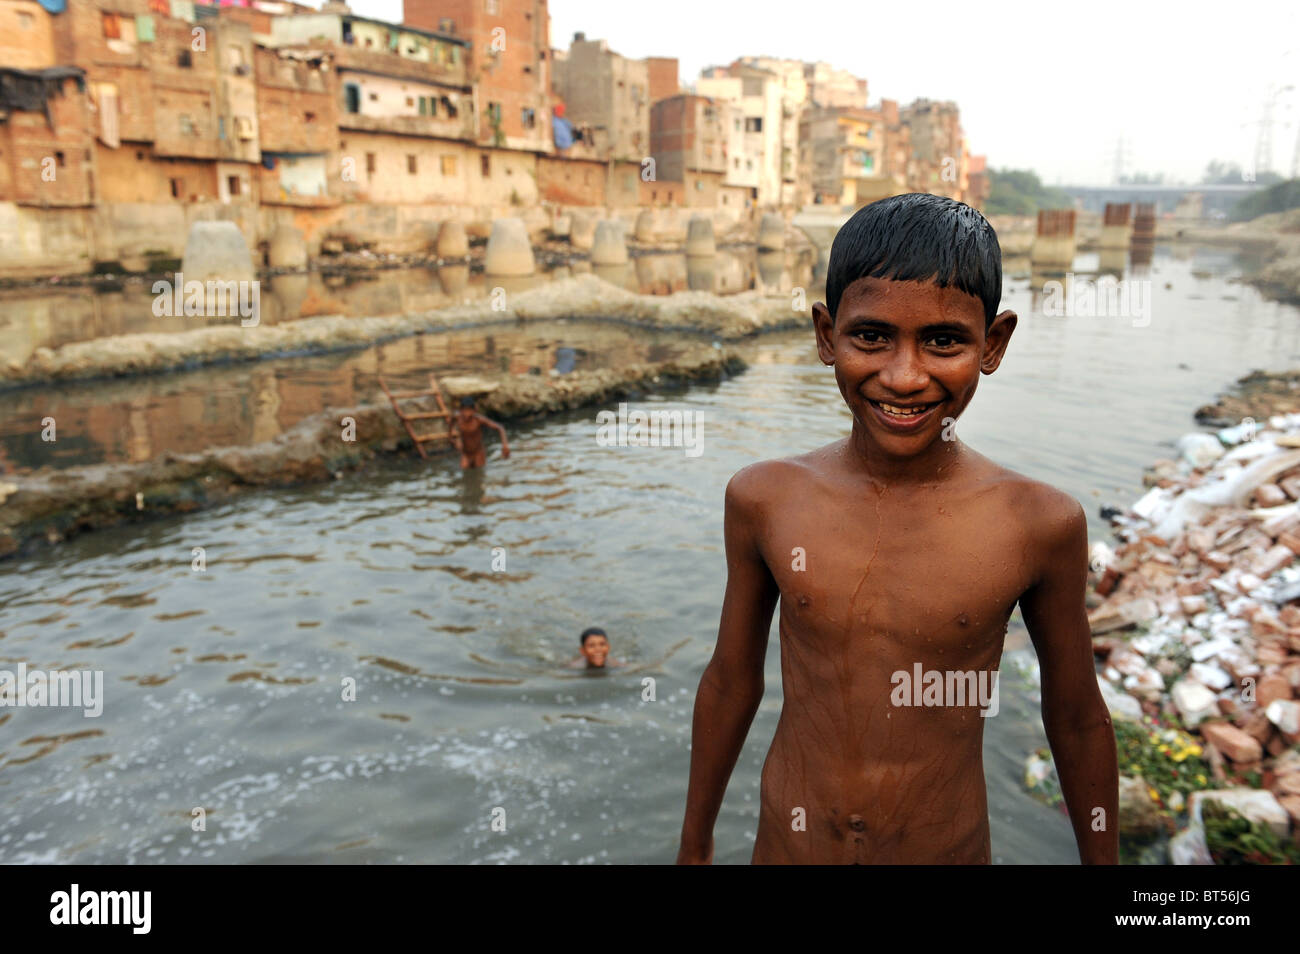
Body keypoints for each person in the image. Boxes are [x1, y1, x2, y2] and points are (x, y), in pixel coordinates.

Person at [676, 193, 1117, 865]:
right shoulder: (765, 499)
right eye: (871, 336)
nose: (904, 376)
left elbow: (1078, 716)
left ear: (992, 344)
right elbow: (732, 683)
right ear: (828, 336)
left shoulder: (1038, 523)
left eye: (943, 340)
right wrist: (694, 846)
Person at [449, 396, 509, 470]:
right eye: (464, 410)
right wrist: (451, 437)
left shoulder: (478, 420)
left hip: (478, 453)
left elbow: (500, 428)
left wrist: (505, 446)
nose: (466, 413)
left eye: (469, 410)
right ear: (461, 410)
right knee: (464, 472)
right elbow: (451, 423)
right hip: (466, 453)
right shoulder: (457, 418)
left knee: (479, 474)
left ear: (474, 410)